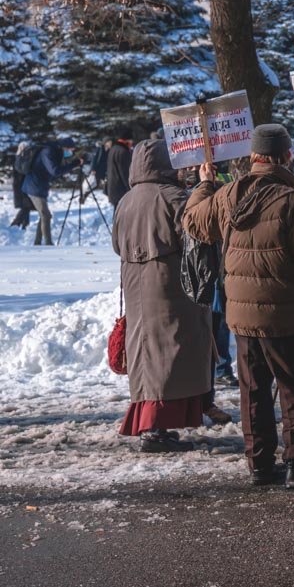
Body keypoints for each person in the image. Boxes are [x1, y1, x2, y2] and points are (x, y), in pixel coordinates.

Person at [184, 124, 294, 490]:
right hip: (285, 315)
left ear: (253, 156)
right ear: (286, 156)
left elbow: (193, 222)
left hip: (242, 315)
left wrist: (204, 184)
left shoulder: (228, 195)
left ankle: (260, 464)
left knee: (253, 390)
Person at [112, 140, 213, 453]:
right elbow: (197, 235)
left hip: (135, 285)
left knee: (146, 353)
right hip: (170, 287)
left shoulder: (125, 201)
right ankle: (156, 429)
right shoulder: (174, 197)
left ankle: (154, 426)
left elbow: (116, 244)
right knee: (170, 352)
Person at [23, 137, 82, 246]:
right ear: (64, 147)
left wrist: (65, 172)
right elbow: (55, 171)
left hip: (40, 187)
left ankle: (37, 242)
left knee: (44, 215)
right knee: (45, 215)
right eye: (70, 150)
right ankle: (48, 243)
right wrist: (74, 164)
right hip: (34, 187)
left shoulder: (55, 152)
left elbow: (52, 172)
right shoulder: (48, 152)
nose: (71, 153)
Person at [104, 126, 135, 208]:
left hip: (113, 189)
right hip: (121, 192)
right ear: (127, 140)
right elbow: (125, 173)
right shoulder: (122, 151)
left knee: (117, 213)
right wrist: (131, 189)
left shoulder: (113, 149)